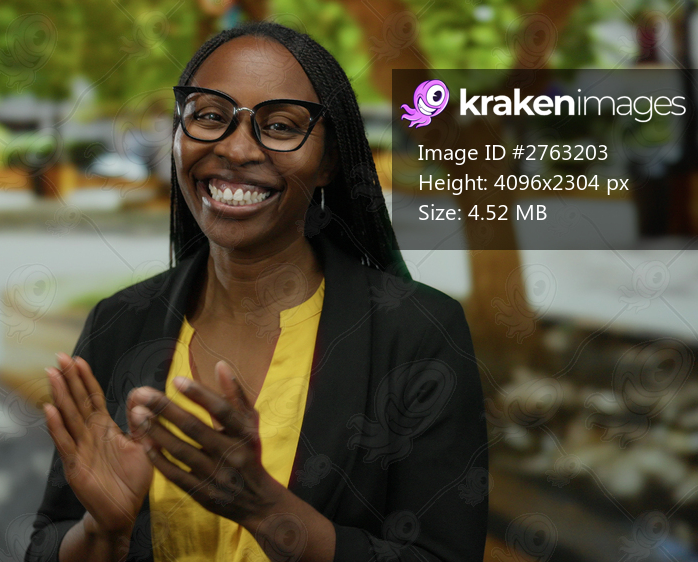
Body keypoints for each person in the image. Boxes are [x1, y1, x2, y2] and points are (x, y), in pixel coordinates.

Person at [27, 21, 488, 562]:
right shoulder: (119, 323)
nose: (236, 147)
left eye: (281, 126)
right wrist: (103, 531)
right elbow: (48, 542)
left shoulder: (418, 333)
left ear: (329, 161)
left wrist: (270, 511)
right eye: (208, 116)